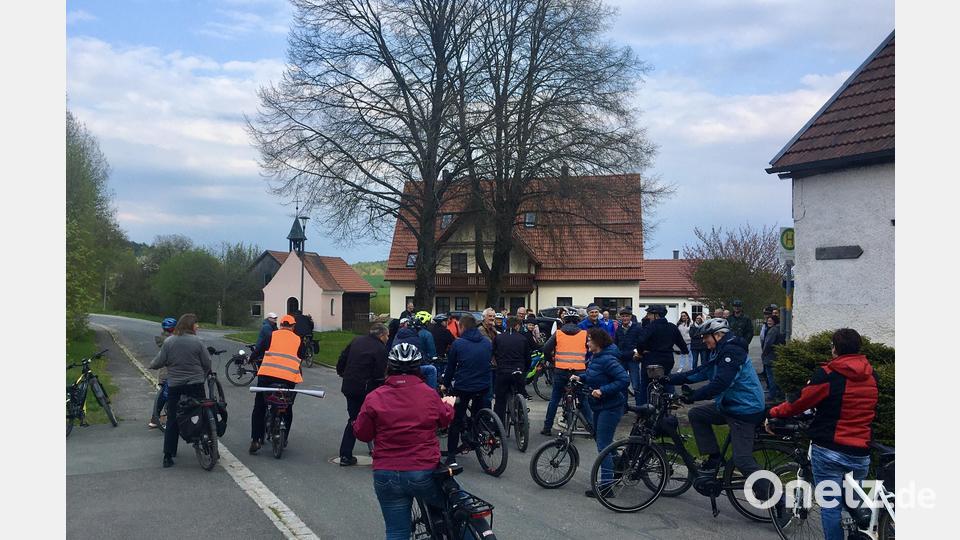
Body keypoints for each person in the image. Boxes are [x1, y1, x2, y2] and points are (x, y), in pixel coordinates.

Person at [767, 328, 878, 540]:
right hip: (861, 450)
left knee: (830, 505)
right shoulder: (872, 375)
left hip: (829, 448)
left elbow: (799, 403)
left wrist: (773, 412)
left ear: (835, 349)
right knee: (854, 501)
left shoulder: (829, 375)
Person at [353, 343, 457, 540]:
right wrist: (449, 405)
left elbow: (363, 434)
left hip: (386, 472)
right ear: (418, 368)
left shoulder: (375, 397)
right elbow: (444, 420)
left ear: (389, 367)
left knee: (397, 531)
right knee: (457, 506)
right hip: (422, 470)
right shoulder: (428, 393)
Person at [667, 318, 766, 493]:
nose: (704, 341)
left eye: (706, 337)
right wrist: (668, 378)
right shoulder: (720, 351)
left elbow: (721, 383)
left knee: (742, 460)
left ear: (718, 334)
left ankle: (777, 497)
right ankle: (714, 458)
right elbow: (701, 372)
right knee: (697, 415)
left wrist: (694, 396)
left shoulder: (732, 352)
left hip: (744, 410)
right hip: (730, 405)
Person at [149, 313, 212, 468]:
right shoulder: (198, 342)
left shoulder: (169, 342)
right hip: (195, 384)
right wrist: (202, 375)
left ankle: (168, 455)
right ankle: (207, 444)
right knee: (201, 413)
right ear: (191, 326)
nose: (198, 327)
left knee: (173, 418)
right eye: (196, 324)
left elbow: (158, 362)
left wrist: (152, 365)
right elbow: (207, 362)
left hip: (175, 385)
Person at [573, 328, 629, 498]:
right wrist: (580, 378)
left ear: (598, 342)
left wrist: (603, 391)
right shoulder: (596, 358)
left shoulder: (608, 359)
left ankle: (606, 487)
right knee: (602, 440)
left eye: (589, 340)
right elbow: (595, 375)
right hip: (600, 406)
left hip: (610, 407)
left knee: (603, 445)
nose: (587, 343)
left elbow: (623, 380)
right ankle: (620, 465)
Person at [440, 314, 493, 464]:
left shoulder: (458, 344)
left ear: (462, 327)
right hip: (483, 385)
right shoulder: (487, 342)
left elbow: (451, 368)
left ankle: (451, 456)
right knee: (477, 413)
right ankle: (476, 433)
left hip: (464, 387)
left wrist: (445, 384)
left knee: (456, 420)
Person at [336, 323, 389, 466]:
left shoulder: (356, 340)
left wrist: (342, 372)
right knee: (375, 418)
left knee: (353, 419)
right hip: (366, 389)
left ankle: (345, 455)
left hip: (349, 386)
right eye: (387, 336)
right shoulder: (380, 349)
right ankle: (379, 452)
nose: (388, 338)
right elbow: (379, 373)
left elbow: (343, 358)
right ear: (382, 335)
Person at [249, 314, 303, 455]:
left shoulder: (271, 335)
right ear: (293, 326)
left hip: (267, 376)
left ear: (280, 325)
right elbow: (301, 356)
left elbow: (259, 349)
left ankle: (255, 440)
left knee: (259, 406)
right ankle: (283, 439)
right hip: (288, 378)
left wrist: (251, 358)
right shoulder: (298, 339)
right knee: (287, 405)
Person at [540, 310, 593, 435]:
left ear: (564, 321)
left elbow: (546, 349)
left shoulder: (558, 334)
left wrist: (552, 361)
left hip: (561, 370)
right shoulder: (584, 334)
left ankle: (547, 428)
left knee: (555, 399)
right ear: (577, 321)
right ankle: (592, 428)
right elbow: (592, 350)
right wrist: (587, 362)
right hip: (579, 372)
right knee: (583, 400)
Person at [634, 304, 688, 405]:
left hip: (651, 359)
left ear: (656, 315)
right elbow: (682, 344)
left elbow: (640, 341)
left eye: (649, 314)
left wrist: (641, 352)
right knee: (667, 379)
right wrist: (684, 351)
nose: (648, 316)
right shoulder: (672, 327)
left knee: (645, 385)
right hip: (667, 360)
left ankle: (642, 410)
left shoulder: (650, 327)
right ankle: (671, 402)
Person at [492, 316, 533, 425]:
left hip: (503, 371)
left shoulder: (498, 338)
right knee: (520, 392)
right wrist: (525, 369)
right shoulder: (522, 339)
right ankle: (521, 415)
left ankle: (498, 429)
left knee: (500, 400)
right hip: (518, 371)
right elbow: (528, 358)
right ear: (517, 326)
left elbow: (493, 353)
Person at [393, 318, 438, 390]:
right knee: (432, 370)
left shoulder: (397, 336)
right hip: (412, 368)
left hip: (396, 368)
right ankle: (432, 394)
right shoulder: (416, 338)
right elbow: (421, 355)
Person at [148, 316, 177, 429]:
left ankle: (155, 418)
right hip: (169, 372)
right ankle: (156, 418)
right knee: (166, 396)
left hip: (164, 373)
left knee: (164, 395)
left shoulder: (163, 339)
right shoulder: (171, 340)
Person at [760, 315, 785, 401]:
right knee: (778, 377)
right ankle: (780, 394)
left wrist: (763, 354)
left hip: (770, 357)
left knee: (771, 377)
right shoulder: (782, 329)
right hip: (779, 357)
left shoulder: (773, 330)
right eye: (768, 321)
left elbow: (768, 343)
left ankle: (772, 395)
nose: (768, 322)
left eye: (770, 321)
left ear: (775, 321)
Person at [430, 313, 455, 378]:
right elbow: (453, 342)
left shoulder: (430, 330)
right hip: (441, 357)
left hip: (430, 357)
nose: (447, 323)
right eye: (445, 321)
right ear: (441, 322)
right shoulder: (445, 332)